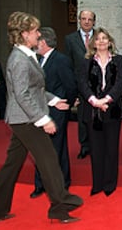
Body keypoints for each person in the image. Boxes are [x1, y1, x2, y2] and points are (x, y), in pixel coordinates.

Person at [0, 12, 82, 223]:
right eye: (35, 31)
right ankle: (59, 206)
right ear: (25, 34)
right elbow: (22, 94)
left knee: (12, 165)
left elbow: (35, 89)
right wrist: (44, 120)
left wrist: (54, 101)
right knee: (49, 161)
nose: (39, 34)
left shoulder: (26, 55)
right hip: (25, 119)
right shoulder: (19, 59)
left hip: (21, 118)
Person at [30, 27, 77, 198]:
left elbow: (71, 85)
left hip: (56, 112)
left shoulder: (61, 60)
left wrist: (67, 104)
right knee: (39, 149)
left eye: (37, 39)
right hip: (38, 112)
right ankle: (40, 184)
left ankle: (61, 184)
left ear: (43, 42)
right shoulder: (35, 59)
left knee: (57, 149)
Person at [78, 27, 122, 197]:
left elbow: (121, 83)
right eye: (98, 39)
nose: (102, 41)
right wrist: (95, 101)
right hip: (92, 111)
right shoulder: (87, 62)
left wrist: (106, 100)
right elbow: (82, 84)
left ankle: (110, 184)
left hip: (112, 110)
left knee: (111, 149)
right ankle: (97, 184)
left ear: (110, 41)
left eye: (104, 38)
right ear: (93, 43)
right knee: (96, 149)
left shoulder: (118, 60)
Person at [65, 10, 96, 159]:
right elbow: (69, 65)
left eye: (90, 19)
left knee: (97, 117)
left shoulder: (100, 37)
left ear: (94, 22)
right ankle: (84, 146)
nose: (86, 22)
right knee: (83, 117)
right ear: (79, 20)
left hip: (98, 85)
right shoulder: (70, 39)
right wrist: (73, 90)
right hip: (80, 85)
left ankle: (97, 145)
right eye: (83, 19)